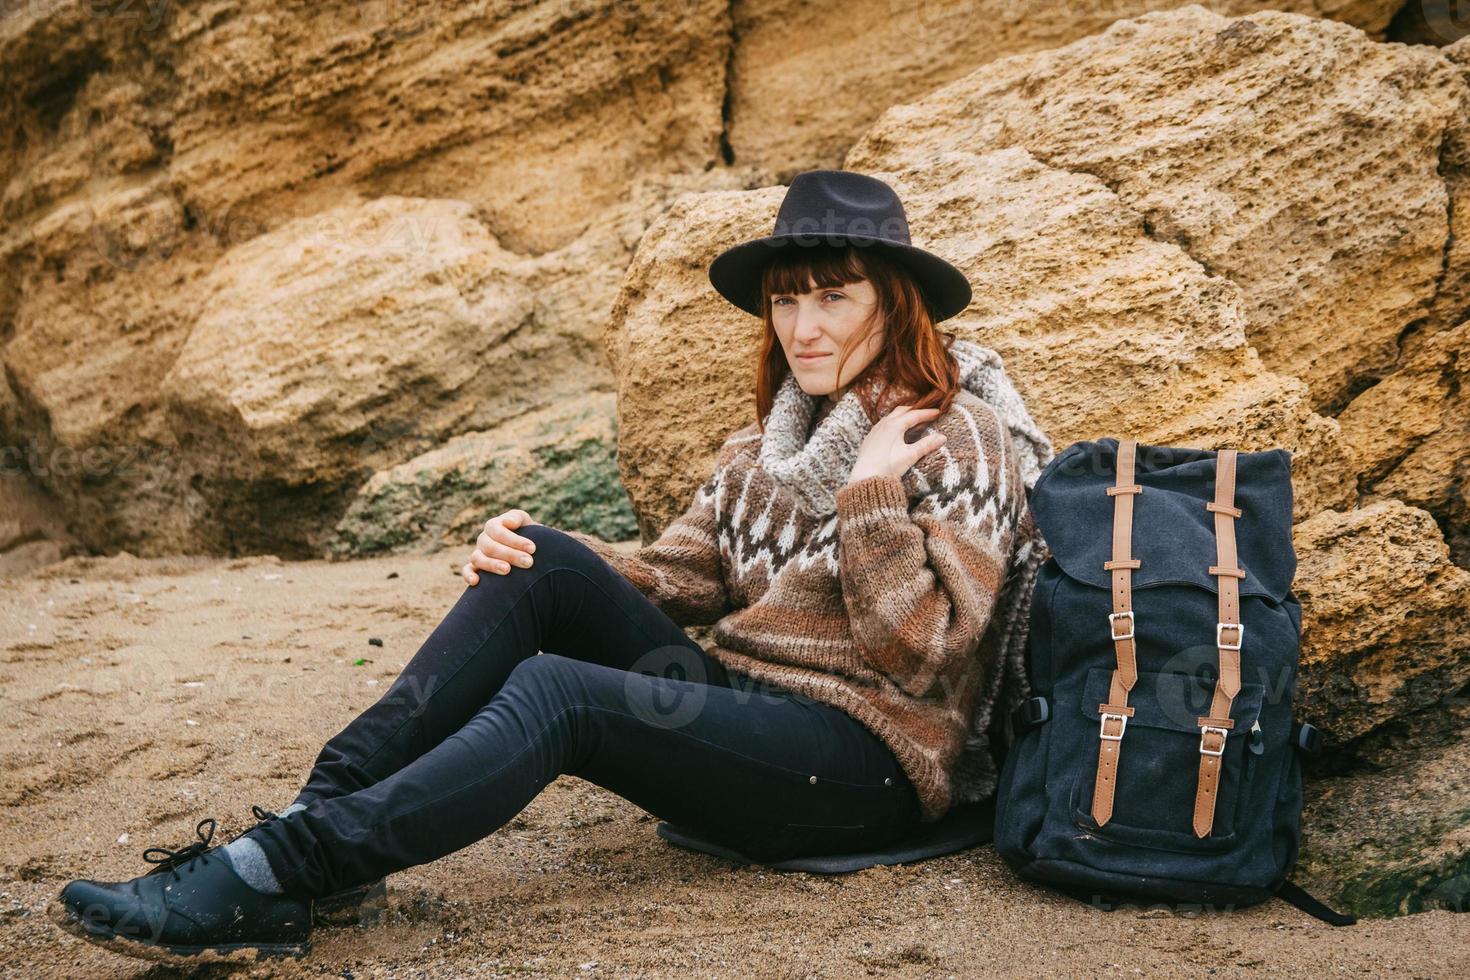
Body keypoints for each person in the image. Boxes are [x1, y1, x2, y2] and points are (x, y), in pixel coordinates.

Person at [51, 170, 1054, 963]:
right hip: (752, 715)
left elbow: (922, 656)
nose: (804, 326)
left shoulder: (953, 437)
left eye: (835, 296)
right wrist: (530, 556)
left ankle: (287, 866)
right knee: (544, 562)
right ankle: (315, 820)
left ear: (895, 302)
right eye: (788, 301)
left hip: (866, 766)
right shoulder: (761, 450)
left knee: (559, 695)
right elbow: (668, 578)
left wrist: (872, 495)